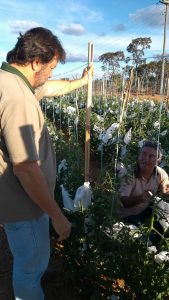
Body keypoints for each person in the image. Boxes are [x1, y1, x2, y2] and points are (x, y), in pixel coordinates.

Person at [0, 27, 94, 300]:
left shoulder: (9, 81)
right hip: (25, 206)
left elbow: (49, 87)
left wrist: (81, 81)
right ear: (35, 62)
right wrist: (56, 214)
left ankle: (36, 272)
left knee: (29, 259)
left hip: (13, 202)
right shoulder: (18, 98)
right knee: (29, 269)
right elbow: (27, 168)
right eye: (51, 66)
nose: (52, 73)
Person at [117, 141, 169, 236]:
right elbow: (123, 202)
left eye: (151, 156)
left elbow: (166, 191)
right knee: (147, 237)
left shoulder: (160, 173)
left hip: (145, 210)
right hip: (128, 215)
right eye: (143, 154)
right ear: (139, 155)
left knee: (163, 229)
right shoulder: (129, 173)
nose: (146, 159)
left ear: (158, 160)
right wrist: (140, 198)